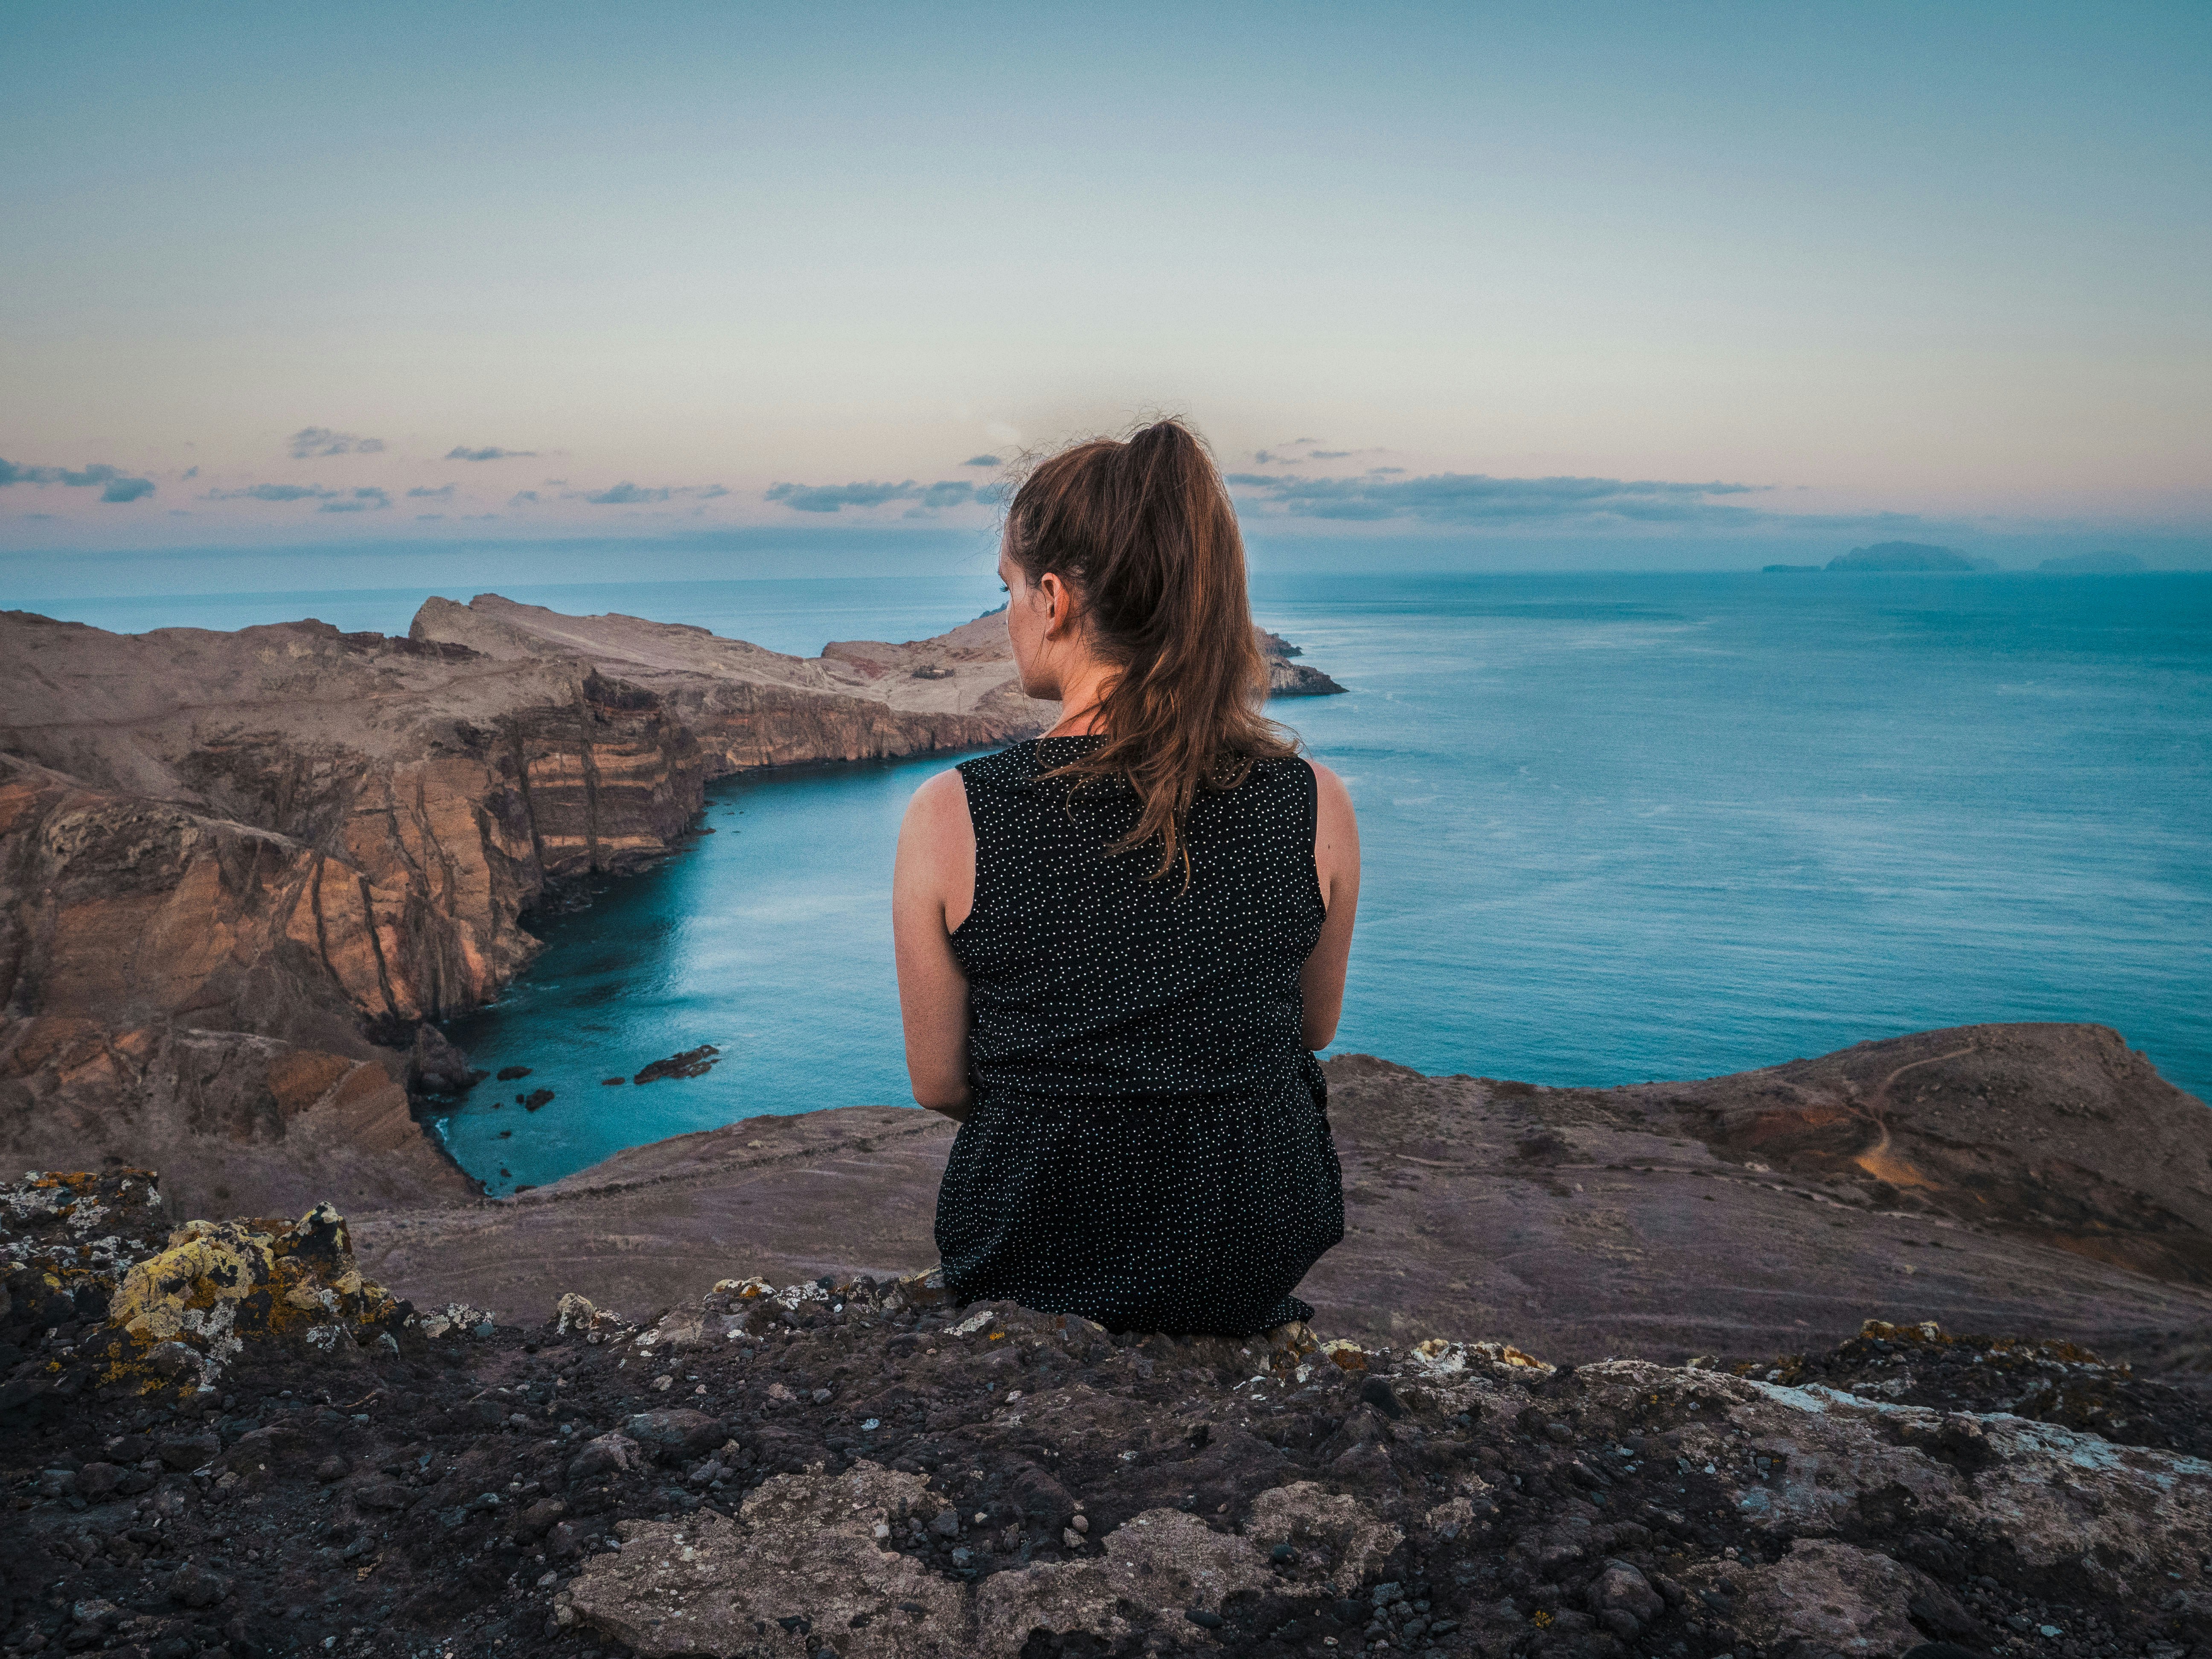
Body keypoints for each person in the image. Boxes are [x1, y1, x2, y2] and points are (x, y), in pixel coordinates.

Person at [891, 418, 1361, 1338]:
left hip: (1033, 1253)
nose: (1009, 618)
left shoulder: (951, 814)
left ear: (1056, 600)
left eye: (1009, 593)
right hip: (1247, 1250)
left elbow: (940, 1084)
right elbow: (1310, 1026)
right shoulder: (1317, 803)